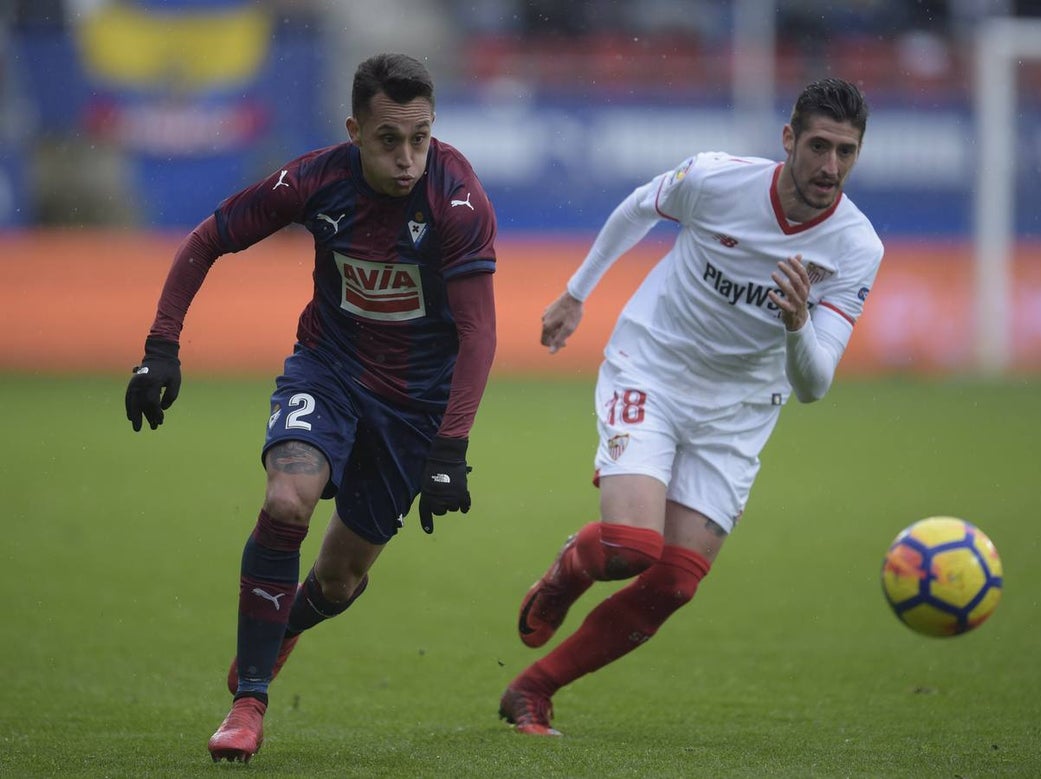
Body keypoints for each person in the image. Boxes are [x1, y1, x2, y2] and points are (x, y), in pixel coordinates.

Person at [124, 53, 498, 763]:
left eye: (421, 137)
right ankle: (250, 700)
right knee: (288, 499)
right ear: (354, 129)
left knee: (339, 576)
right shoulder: (314, 180)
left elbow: (480, 331)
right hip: (327, 370)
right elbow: (208, 239)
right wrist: (161, 346)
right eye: (390, 138)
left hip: (414, 406)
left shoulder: (458, 199)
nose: (408, 157)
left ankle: (284, 622)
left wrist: (450, 448)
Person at [498, 78, 882, 736]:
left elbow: (815, 384)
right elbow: (639, 208)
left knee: (674, 581)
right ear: (788, 139)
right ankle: (568, 569)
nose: (830, 167)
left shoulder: (855, 248)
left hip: (738, 412)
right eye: (819, 146)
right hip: (653, 367)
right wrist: (576, 292)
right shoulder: (715, 179)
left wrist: (796, 325)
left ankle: (533, 689)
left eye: (846, 152)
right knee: (630, 546)